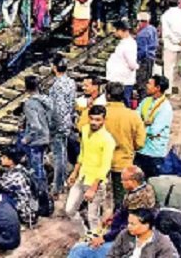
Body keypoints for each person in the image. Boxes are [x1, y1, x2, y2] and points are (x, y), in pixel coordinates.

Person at [67, 166, 157, 258]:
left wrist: (104, 238)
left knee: (79, 250)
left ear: (133, 181)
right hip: (118, 234)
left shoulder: (141, 200)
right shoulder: (140, 189)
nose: (121, 182)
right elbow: (123, 210)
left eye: (123, 180)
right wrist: (113, 217)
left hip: (126, 242)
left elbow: (128, 229)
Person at [66, 105, 115, 231]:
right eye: (92, 119)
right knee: (69, 210)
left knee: (92, 216)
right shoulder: (85, 130)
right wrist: (74, 173)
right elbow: (82, 154)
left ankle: (95, 242)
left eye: (98, 119)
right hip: (82, 177)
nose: (94, 122)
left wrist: (93, 188)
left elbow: (105, 167)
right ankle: (84, 236)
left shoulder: (108, 140)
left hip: (96, 183)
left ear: (104, 120)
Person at [103, 84, 146, 210]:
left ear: (108, 96)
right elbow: (140, 142)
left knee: (96, 195)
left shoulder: (99, 112)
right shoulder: (133, 116)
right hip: (123, 161)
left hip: (100, 161)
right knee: (121, 199)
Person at [0, 145, 39, 226]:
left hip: (24, 215)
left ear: (11, 161)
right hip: (28, 209)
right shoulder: (19, 168)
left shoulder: (15, 176)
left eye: (4, 157)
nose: (1, 159)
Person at [48, 57, 77, 196]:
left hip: (58, 125)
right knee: (63, 153)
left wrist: (53, 126)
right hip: (67, 122)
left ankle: (58, 186)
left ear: (54, 67)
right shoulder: (71, 82)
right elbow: (72, 104)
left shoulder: (57, 85)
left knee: (59, 156)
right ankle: (64, 181)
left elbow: (57, 109)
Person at [21, 75, 51, 205]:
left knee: (35, 171)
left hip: (36, 140)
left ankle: (40, 201)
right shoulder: (46, 100)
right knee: (40, 169)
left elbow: (35, 126)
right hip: (46, 137)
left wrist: (26, 139)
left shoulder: (29, 104)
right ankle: (45, 197)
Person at [134, 75, 172, 178]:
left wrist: (141, 126)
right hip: (140, 149)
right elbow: (135, 119)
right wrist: (145, 124)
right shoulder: (146, 101)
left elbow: (154, 130)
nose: (146, 85)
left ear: (158, 88)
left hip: (155, 152)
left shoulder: (165, 108)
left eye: (149, 84)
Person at [105, 208, 179, 258]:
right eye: (128, 223)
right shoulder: (125, 234)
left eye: (132, 224)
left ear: (146, 225)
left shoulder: (162, 243)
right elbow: (112, 255)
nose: (128, 226)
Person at [159, 0, 181, 94]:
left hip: (170, 46)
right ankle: (177, 88)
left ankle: (168, 90)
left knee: (168, 69)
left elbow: (167, 33)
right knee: (180, 67)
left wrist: (177, 41)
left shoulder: (165, 16)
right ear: (178, 3)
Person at [105, 20, 139, 108]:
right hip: (119, 79)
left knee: (123, 103)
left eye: (115, 30)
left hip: (123, 80)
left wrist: (136, 67)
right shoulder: (125, 43)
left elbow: (131, 64)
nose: (114, 32)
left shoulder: (129, 44)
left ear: (121, 30)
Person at [134, 13, 158, 99]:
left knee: (142, 83)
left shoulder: (142, 34)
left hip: (144, 60)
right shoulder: (153, 29)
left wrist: (136, 60)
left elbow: (142, 51)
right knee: (148, 80)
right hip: (151, 58)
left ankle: (142, 100)